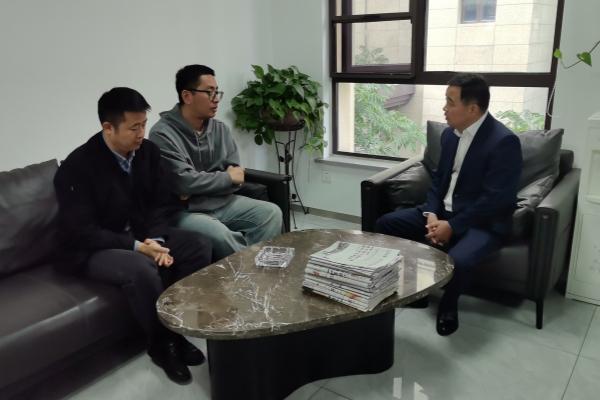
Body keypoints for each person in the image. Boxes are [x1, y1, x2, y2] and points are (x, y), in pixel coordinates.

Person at [53, 87, 212, 384]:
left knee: (198, 246)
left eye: (144, 125)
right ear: (108, 127)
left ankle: (178, 327)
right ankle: (162, 344)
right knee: (141, 267)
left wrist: (156, 240)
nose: (142, 134)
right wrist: (139, 247)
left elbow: (160, 203)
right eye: (134, 127)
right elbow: (82, 231)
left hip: (140, 236)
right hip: (93, 248)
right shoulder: (78, 167)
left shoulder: (147, 153)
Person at [375, 73, 522, 336]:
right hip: (442, 211)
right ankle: (414, 292)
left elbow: (495, 200)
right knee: (386, 224)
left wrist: (452, 226)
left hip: (483, 222)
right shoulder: (449, 135)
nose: (444, 108)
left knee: (459, 260)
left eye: (450, 102)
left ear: (472, 109)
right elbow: (438, 179)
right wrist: (432, 214)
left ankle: (448, 306)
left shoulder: (503, 142)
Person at [149, 64, 283, 260]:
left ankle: (255, 267)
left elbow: (237, 176)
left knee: (271, 213)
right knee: (219, 235)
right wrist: (225, 178)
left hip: (224, 202)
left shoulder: (220, 129)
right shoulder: (162, 134)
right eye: (209, 92)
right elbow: (183, 182)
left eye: (217, 92)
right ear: (187, 96)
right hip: (185, 211)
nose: (216, 99)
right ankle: (251, 269)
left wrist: (198, 185)